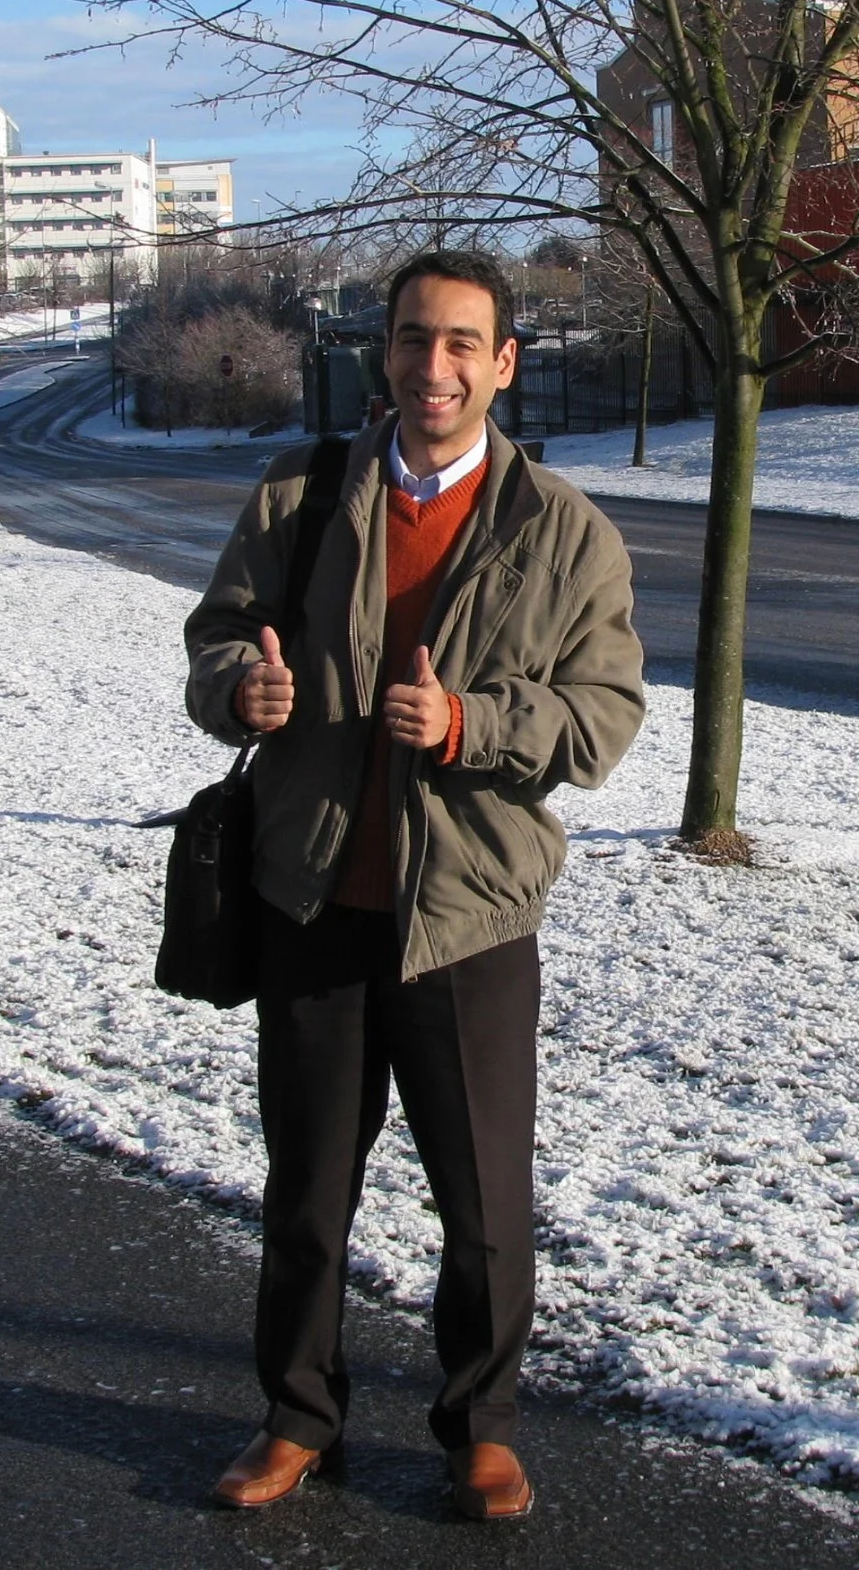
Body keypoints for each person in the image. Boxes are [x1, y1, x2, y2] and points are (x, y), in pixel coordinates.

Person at [183, 250, 645, 1522]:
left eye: (459, 345)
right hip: (312, 901)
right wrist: (240, 689)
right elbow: (217, 633)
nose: (429, 367)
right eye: (408, 340)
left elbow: (601, 720)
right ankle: (296, 1418)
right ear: (379, 353)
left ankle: (479, 1428)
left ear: (503, 363)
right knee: (308, 1194)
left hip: (470, 920)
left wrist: (465, 725)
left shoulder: (565, 531)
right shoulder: (301, 493)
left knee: (485, 1203)